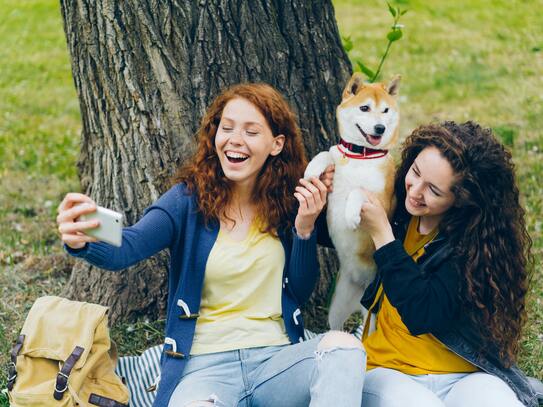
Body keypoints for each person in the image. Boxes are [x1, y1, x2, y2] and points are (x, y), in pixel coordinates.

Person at [56, 83, 365, 407]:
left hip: (275, 363)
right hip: (204, 370)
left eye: (250, 131)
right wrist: (84, 239)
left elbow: (299, 292)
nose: (234, 139)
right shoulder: (187, 201)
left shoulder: (288, 202)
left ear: (276, 144)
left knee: (345, 350)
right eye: (226, 127)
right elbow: (127, 247)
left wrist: (305, 229)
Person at [353, 121, 539, 406]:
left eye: (434, 191)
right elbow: (337, 231)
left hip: (463, 375)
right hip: (390, 368)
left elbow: (423, 312)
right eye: (415, 172)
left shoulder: (472, 246)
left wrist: (383, 235)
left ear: (461, 200)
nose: (415, 191)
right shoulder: (397, 210)